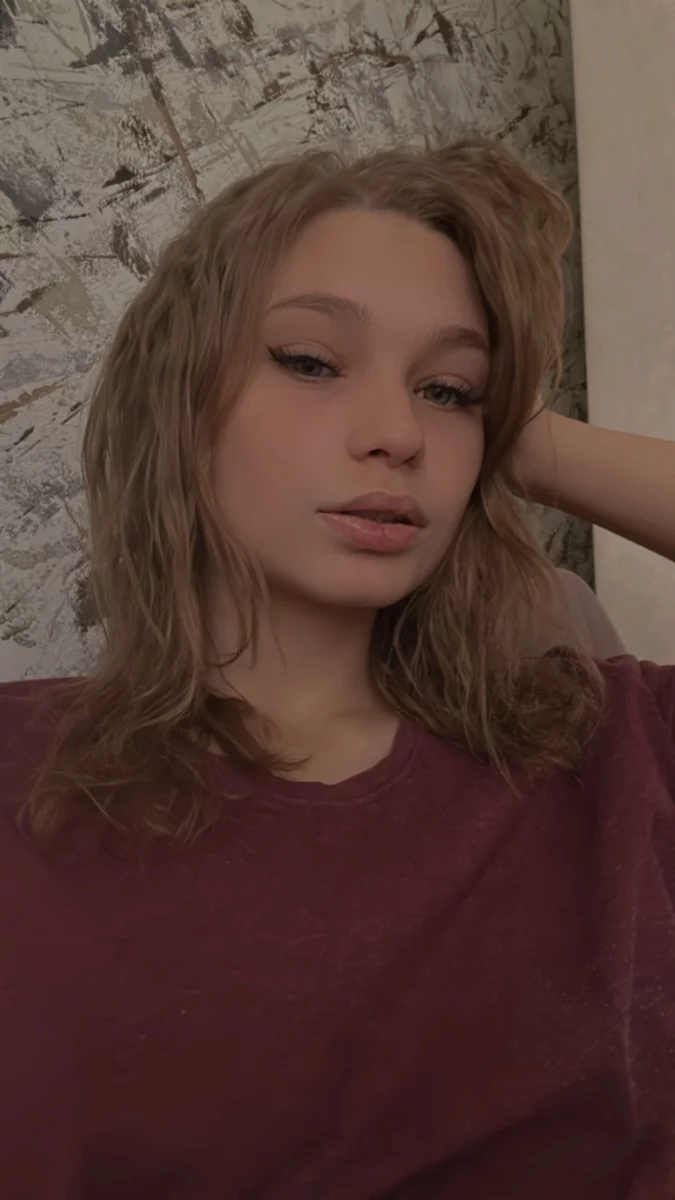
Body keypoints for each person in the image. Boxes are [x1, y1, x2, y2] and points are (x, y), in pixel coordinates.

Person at [0, 137, 673, 1200]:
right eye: (310, 362)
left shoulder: (604, 745)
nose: (397, 433)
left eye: (447, 388)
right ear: (178, 397)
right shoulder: (23, 777)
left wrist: (519, 433)